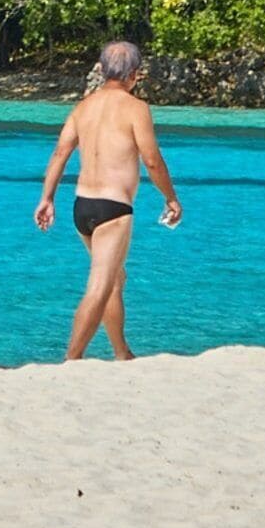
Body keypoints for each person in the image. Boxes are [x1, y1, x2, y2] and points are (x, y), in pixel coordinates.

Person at [32, 40, 181, 361]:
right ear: (135, 74)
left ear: (101, 70)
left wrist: (47, 198)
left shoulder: (83, 107)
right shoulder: (136, 108)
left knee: (115, 278)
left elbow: (60, 153)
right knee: (100, 286)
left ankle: (121, 352)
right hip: (113, 209)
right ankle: (72, 359)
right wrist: (171, 198)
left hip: (82, 207)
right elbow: (152, 160)